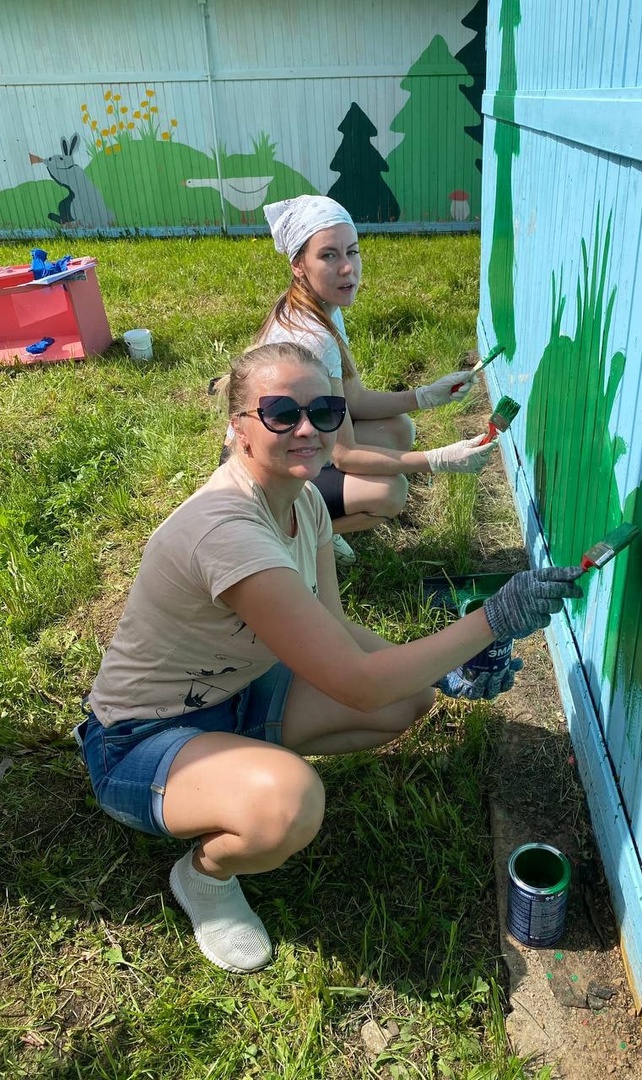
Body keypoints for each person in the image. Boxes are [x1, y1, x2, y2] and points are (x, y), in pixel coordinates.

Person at [75, 341, 582, 974]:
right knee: (288, 803)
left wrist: (442, 668)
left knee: (411, 695)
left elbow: (338, 628)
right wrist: (491, 622)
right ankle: (205, 874)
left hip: (239, 694)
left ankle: (235, 775)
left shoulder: (305, 501)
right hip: (139, 738)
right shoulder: (226, 531)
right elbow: (356, 683)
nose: (308, 428)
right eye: (282, 412)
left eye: (325, 409)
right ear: (238, 428)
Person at [219, 194, 496, 567]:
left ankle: (314, 515)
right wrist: (438, 460)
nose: (348, 268)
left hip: (274, 450)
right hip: (263, 480)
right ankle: (301, 532)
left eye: (352, 251)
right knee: (390, 491)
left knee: (397, 429)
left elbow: (352, 398)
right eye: (329, 255)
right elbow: (343, 452)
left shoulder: (318, 308)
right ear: (298, 264)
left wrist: (425, 396)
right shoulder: (313, 336)